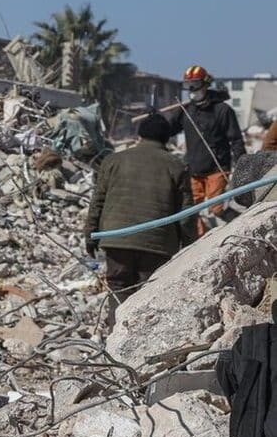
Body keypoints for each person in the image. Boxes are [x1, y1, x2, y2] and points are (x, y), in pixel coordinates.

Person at [86, 113, 196, 303]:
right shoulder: (177, 166)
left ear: (140, 134)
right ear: (167, 137)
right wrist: (188, 247)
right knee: (148, 297)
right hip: (157, 245)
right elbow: (186, 214)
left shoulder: (113, 160)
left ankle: (116, 323)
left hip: (117, 240)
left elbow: (97, 202)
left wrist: (90, 235)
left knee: (119, 289)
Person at [168, 65, 245, 236]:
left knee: (217, 208)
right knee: (190, 211)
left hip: (217, 168)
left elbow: (236, 140)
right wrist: (155, 120)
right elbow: (168, 129)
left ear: (206, 84)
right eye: (188, 86)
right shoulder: (185, 110)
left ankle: (244, 225)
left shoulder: (222, 110)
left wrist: (242, 165)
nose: (192, 89)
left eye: (195, 84)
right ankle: (199, 240)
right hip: (194, 170)